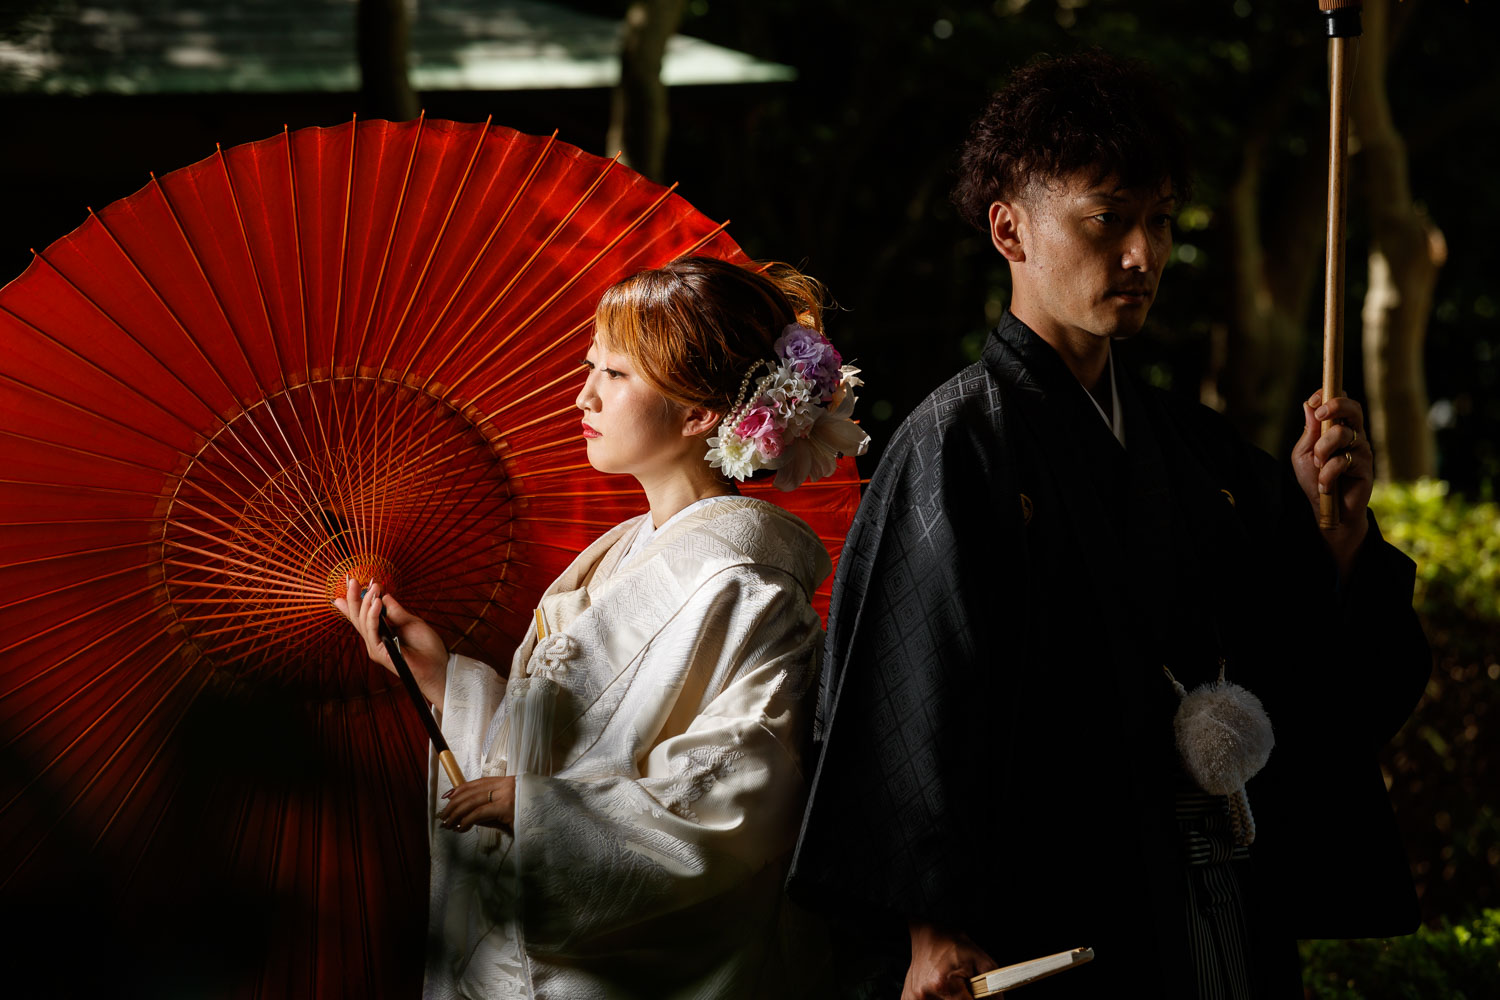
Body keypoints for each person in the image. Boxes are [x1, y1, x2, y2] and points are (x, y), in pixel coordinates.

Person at [788, 51, 1429, 999]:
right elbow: (911, 697)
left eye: (1159, 220)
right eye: (1108, 219)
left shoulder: (1201, 451)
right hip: (1048, 898)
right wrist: (931, 924)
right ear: (1009, 228)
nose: (1143, 254)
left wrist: (1330, 542)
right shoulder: (955, 444)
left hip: (1218, 881)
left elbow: (1301, 665)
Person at [336, 256, 868, 999]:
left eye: (614, 374)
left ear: (700, 414)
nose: (583, 394)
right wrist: (440, 677)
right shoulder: (615, 555)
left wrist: (543, 815)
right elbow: (546, 745)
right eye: (592, 366)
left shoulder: (750, 587)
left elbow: (738, 796)